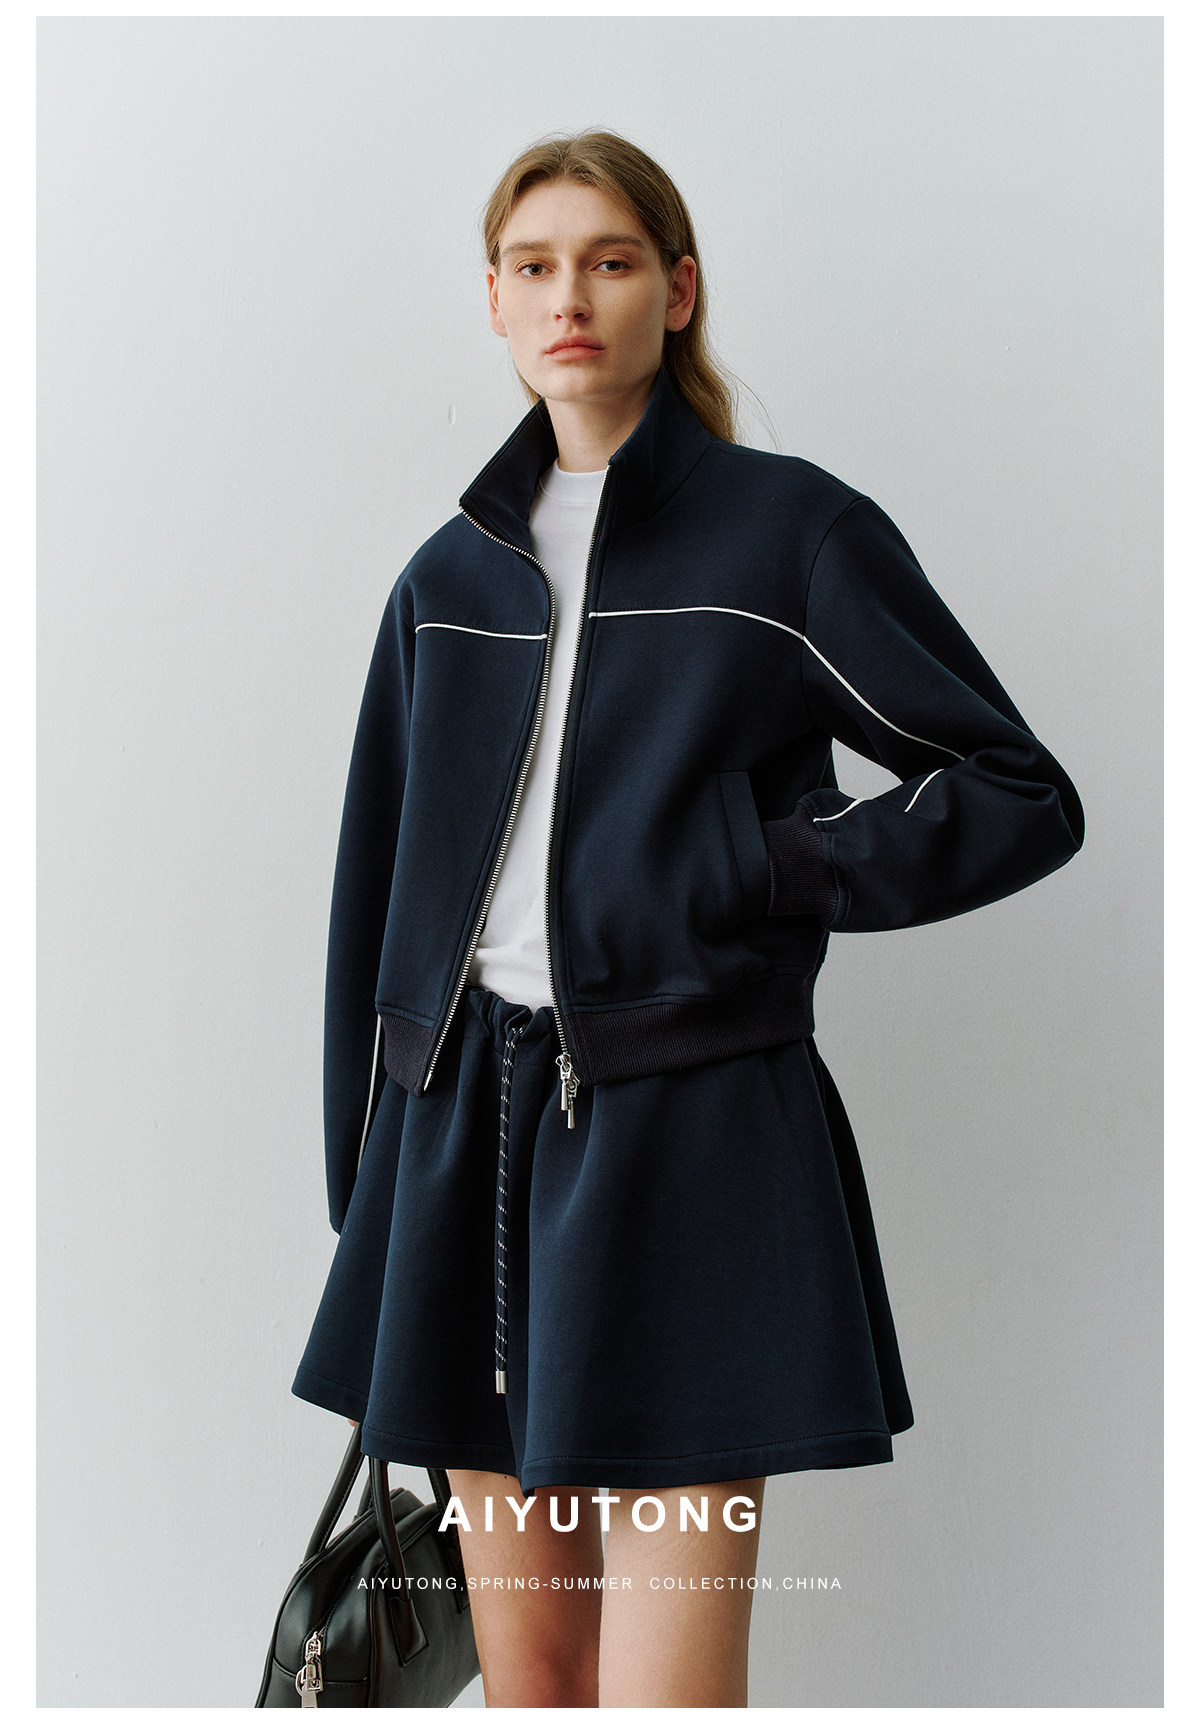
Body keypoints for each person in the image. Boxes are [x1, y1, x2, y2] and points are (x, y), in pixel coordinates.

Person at [290, 130, 1084, 1706]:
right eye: (533, 267)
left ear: (678, 289)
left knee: (668, 1694)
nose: (568, 298)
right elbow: (374, 892)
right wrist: (364, 1186)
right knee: (533, 1684)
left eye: (609, 261)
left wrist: (764, 865)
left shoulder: (791, 537)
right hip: (459, 1152)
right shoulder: (446, 580)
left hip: (694, 1135)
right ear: (495, 303)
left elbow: (1018, 791)